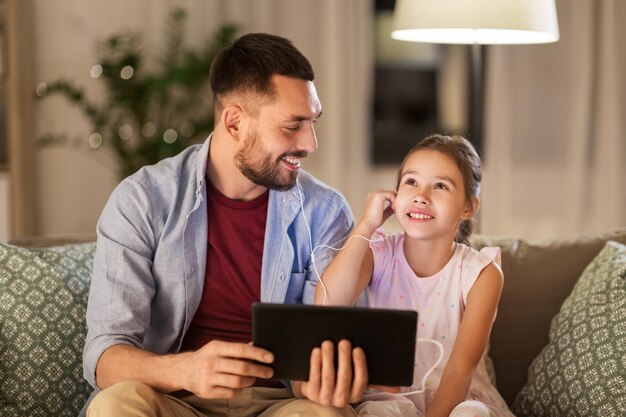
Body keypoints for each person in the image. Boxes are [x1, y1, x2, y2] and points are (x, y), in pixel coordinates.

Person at [82, 32, 368, 417]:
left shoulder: (326, 212)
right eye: (293, 125)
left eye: (313, 122)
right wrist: (187, 369)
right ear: (234, 121)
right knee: (115, 405)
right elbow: (105, 356)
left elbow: (317, 358)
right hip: (175, 399)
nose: (311, 143)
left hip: (279, 404)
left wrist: (323, 380)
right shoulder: (143, 200)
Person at [314, 134, 515, 417]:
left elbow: (461, 367)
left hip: (457, 400)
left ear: (468, 207)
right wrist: (366, 225)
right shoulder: (378, 253)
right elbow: (327, 305)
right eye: (411, 182)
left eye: (440, 186)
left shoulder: (482, 273)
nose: (422, 196)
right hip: (389, 401)